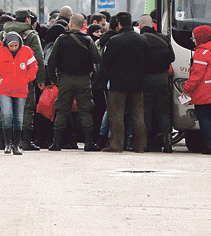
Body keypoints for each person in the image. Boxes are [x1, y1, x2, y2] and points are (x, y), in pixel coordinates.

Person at [46, 13, 101, 151]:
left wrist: (53, 78)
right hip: (83, 79)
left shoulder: (61, 39)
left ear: (70, 24)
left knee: (62, 110)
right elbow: (97, 59)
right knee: (85, 110)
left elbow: (52, 60)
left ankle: (56, 142)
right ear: (83, 25)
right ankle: (88, 143)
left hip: (65, 79)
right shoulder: (88, 40)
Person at [96, 12, 148, 153]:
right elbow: (148, 62)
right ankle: (140, 146)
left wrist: (100, 80)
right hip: (138, 83)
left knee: (116, 114)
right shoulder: (142, 40)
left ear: (119, 24)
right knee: (138, 114)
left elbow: (106, 63)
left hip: (118, 84)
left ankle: (116, 145)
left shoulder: (115, 40)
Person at [1, 9, 46, 150]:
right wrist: (40, 78)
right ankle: (25, 141)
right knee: (26, 108)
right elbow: (38, 57)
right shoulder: (31, 34)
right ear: (27, 19)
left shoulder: (4, 33)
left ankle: (2, 141)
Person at [0, 31, 38, 155]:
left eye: (16, 45)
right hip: (3, 89)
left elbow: (34, 66)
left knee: (19, 118)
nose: (14, 48)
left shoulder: (27, 51)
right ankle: (8, 144)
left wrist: (27, 79)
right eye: (11, 46)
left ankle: (16, 145)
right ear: (7, 44)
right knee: (6, 115)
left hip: (21, 89)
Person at [183, 25, 211, 154]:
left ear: (200, 38)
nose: (193, 40)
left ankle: (209, 146)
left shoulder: (201, 53)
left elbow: (196, 75)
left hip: (205, 90)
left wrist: (186, 89)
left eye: (194, 37)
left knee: (203, 118)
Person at [140, 14, 175, 152]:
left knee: (146, 111)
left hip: (146, 79)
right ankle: (167, 143)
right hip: (162, 79)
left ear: (141, 26)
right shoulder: (164, 39)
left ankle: (147, 142)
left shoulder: (141, 40)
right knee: (163, 112)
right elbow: (172, 57)